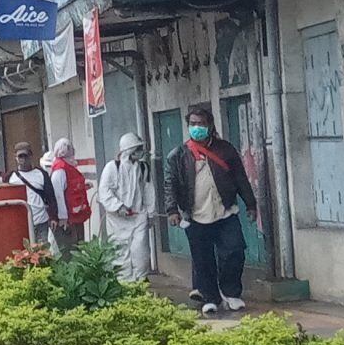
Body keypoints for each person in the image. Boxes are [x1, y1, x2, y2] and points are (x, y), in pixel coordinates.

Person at [162, 103, 256, 316]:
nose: (197, 127)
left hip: (225, 212)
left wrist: (250, 204)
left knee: (234, 250)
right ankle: (210, 297)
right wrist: (172, 210)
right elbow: (171, 184)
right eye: (193, 124)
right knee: (203, 259)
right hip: (195, 216)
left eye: (201, 124)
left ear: (210, 125)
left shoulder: (225, 149)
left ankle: (231, 293)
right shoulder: (178, 155)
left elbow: (241, 178)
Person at [94, 132, 152, 283]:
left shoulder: (143, 168)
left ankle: (141, 280)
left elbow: (148, 191)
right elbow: (104, 191)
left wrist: (150, 214)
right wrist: (118, 207)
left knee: (141, 251)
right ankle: (125, 283)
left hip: (138, 215)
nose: (139, 152)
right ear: (128, 151)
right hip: (117, 219)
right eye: (136, 149)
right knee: (120, 251)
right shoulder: (112, 168)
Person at [44, 138, 92, 251]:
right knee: (70, 251)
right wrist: (63, 218)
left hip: (76, 216)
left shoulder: (68, 167)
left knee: (79, 248)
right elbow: (58, 195)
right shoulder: (60, 170)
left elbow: (70, 187)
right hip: (68, 219)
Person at [14, 143, 55, 248]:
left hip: (41, 221)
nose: (23, 159)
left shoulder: (42, 174)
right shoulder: (10, 177)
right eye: (20, 156)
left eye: (25, 156)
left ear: (31, 156)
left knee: (43, 253)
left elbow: (51, 197)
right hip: (21, 223)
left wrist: (54, 217)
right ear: (16, 158)